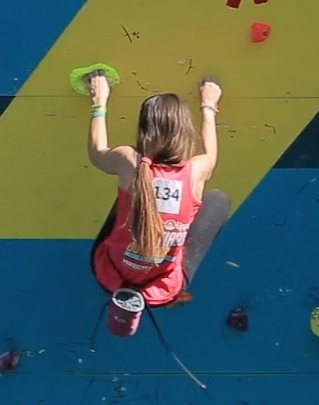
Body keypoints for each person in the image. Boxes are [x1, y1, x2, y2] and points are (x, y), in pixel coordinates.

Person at [85, 73, 231, 309]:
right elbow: (210, 154)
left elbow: (97, 152)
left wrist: (98, 101)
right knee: (218, 200)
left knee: (130, 193)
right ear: (185, 130)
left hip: (110, 274)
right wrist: (208, 105)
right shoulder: (196, 171)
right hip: (161, 290)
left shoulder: (129, 161)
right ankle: (173, 286)